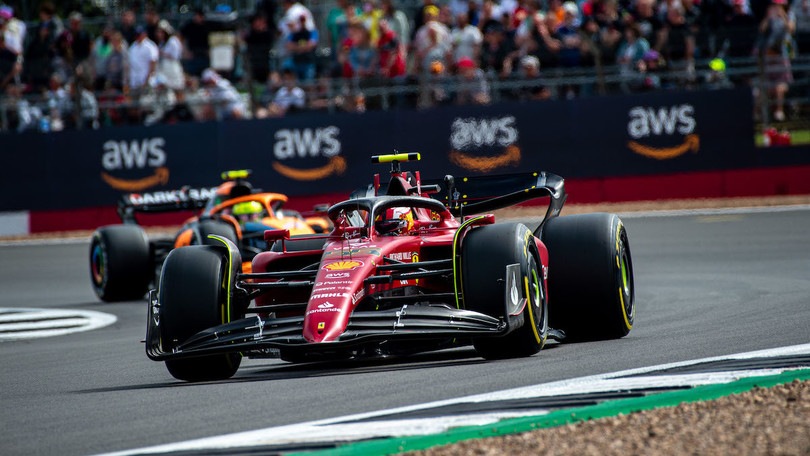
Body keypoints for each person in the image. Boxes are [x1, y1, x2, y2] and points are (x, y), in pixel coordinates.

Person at [758, 0, 795, 121]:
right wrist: (768, 17)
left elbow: (790, 29)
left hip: (783, 54)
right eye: (775, 4)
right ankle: (763, 115)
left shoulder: (790, 14)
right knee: (765, 88)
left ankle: (780, 112)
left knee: (781, 86)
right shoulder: (771, 15)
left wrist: (783, 15)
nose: (776, 7)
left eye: (779, 5)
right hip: (770, 56)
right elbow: (762, 29)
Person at [155, 20, 185, 94]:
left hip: (173, 68)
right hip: (164, 69)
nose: (159, 34)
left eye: (161, 32)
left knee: (177, 89)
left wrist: (162, 53)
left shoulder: (173, 41)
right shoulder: (162, 43)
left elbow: (176, 56)